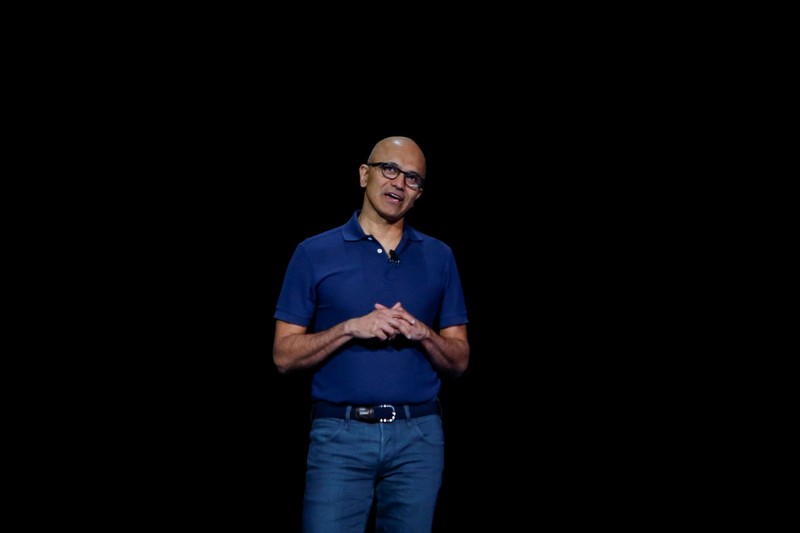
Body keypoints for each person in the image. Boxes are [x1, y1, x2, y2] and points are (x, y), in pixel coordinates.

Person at [273, 135, 470, 532]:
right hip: (340, 435)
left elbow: (460, 360)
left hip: (419, 438)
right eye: (390, 169)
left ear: (419, 194)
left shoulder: (440, 256)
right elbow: (283, 356)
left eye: (412, 178)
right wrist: (350, 328)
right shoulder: (313, 252)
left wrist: (423, 333)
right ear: (365, 174)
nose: (399, 183)